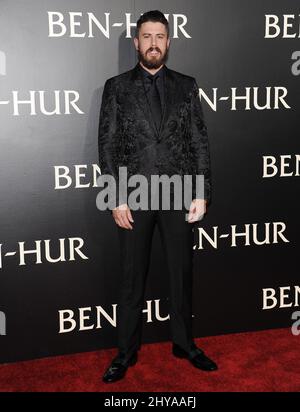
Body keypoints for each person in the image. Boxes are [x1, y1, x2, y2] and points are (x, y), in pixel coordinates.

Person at [98, 10, 217, 383]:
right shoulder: (116, 87)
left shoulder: (187, 85)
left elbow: (198, 140)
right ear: (136, 42)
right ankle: (126, 352)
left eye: (160, 37)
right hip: (133, 195)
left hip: (179, 193)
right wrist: (116, 197)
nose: (153, 43)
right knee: (133, 280)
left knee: (181, 275)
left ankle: (185, 344)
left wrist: (201, 192)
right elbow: (107, 145)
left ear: (168, 42)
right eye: (146, 36)